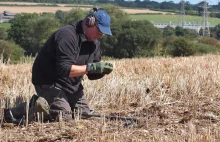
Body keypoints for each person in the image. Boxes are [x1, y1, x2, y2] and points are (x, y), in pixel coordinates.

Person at [3, 7, 113, 123]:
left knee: (84, 115)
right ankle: (30, 108)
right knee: (63, 118)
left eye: (103, 33)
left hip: (71, 86)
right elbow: (64, 69)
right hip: (49, 81)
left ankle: (44, 104)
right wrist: (92, 68)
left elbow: (91, 74)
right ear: (89, 22)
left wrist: (101, 72)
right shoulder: (67, 35)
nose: (101, 35)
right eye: (99, 31)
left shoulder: (94, 43)